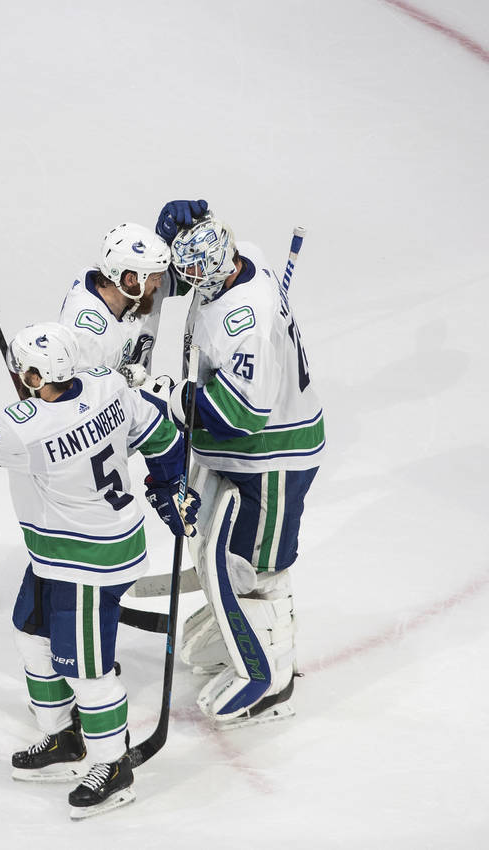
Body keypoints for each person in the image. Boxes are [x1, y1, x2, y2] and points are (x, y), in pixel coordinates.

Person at [0, 321, 198, 819]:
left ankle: (113, 767)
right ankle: (64, 739)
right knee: (30, 633)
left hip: (91, 560)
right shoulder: (107, 384)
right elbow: (159, 430)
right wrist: (170, 484)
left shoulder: (26, 425)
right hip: (60, 552)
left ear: (32, 376)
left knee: (87, 670)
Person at [145, 200, 325, 729]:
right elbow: (184, 278)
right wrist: (174, 238)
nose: (189, 281)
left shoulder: (244, 320)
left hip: (272, 455)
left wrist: (173, 398)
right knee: (225, 551)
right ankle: (251, 642)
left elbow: (243, 413)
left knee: (256, 568)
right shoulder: (244, 253)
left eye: (196, 272)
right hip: (261, 449)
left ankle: (272, 679)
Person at [57, 222, 170, 375]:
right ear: (130, 279)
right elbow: (86, 398)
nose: (160, 284)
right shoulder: (89, 339)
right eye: (156, 277)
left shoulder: (116, 289)